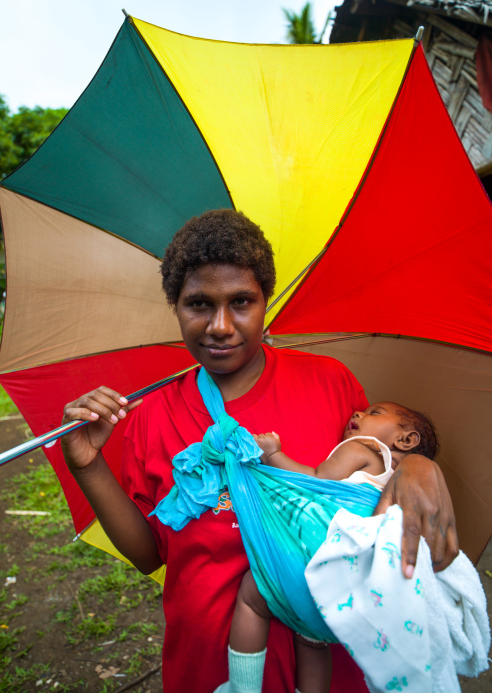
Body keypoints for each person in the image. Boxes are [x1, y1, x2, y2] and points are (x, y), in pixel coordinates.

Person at [60, 209, 458, 693]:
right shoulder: (151, 415)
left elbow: (374, 472)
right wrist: (88, 465)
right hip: (211, 665)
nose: (220, 325)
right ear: (175, 306)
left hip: (331, 659)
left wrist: (418, 467)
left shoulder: (330, 383)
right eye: (198, 304)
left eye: (241, 301)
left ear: (266, 300)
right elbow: (150, 556)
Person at [220, 402, 438, 693]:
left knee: (251, 600)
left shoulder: (363, 449)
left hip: (317, 560)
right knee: (313, 641)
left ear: (406, 440)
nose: (357, 414)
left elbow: (316, 479)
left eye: (374, 413)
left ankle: (243, 687)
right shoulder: (401, 489)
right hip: (346, 594)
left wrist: (273, 453)